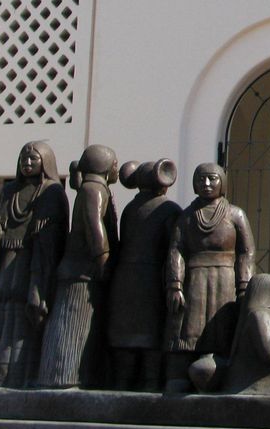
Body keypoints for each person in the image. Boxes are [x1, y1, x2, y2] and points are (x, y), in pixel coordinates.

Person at [0, 141, 69, 387]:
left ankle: (19, 379)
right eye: (23, 159)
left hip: (30, 268)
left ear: (45, 162)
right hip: (2, 267)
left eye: (33, 159)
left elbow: (54, 235)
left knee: (21, 319)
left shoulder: (52, 192)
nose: (27, 163)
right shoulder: (8, 192)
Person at [164, 162, 254, 392]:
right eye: (201, 179)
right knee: (187, 331)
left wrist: (243, 285)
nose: (206, 184)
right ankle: (183, 375)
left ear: (222, 182)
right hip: (194, 279)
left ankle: (221, 373)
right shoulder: (186, 217)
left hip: (225, 280)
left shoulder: (236, 214)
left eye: (212, 178)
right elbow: (176, 250)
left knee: (222, 331)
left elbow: (247, 252)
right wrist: (175, 285)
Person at [37, 144, 119, 388]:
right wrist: (103, 257)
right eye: (114, 164)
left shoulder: (90, 187)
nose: (116, 169)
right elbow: (95, 226)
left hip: (80, 270)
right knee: (72, 327)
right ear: (104, 167)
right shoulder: (94, 190)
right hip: (82, 271)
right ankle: (63, 377)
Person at [107, 158, 180, 391]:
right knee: (151, 335)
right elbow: (173, 247)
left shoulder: (130, 208)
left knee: (126, 336)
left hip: (125, 277)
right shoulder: (168, 209)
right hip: (150, 280)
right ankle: (149, 386)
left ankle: (122, 384)